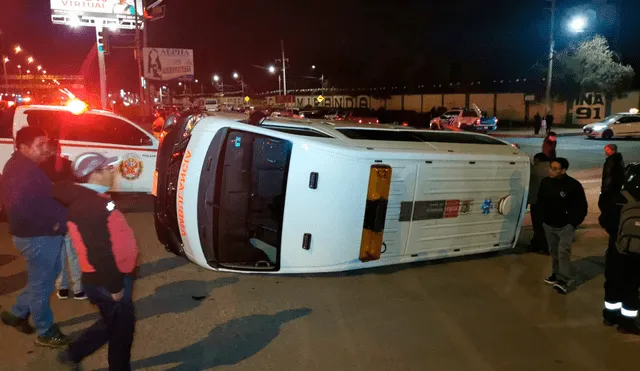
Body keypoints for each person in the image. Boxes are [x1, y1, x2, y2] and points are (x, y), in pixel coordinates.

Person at [53, 153, 139, 370]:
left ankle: (74, 352)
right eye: (108, 168)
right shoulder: (89, 205)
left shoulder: (95, 198)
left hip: (110, 276)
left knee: (113, 324)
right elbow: (98, 252)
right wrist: (115, 285)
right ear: (94, 174)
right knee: (122, 332)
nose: (112, 171)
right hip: (107, 279)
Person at [0, 127, 69, 347]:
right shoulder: (22, 171)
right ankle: (45, 331)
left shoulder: (27, 166)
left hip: (41, 235)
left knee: (44, 278)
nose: (45, 148)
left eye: (46, 142)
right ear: (24, 147)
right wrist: (53, 224)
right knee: (42, 286)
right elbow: (19, 210)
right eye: (40, 144)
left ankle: (18, 312)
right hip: (39, 237)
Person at [40, 139, 87, 301]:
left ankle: (63, 288)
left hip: (51, 218)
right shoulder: (69, 166)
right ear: (59, 150)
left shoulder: (40, 168)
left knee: (58, 254)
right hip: (69, 214)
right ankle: (79, 288)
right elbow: (80, 188)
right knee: (73, 253)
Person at [537, 157, 588, 294]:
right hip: (548, 224)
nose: (551, 170)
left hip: (565, 226)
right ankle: (556, 274)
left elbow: (582, 207)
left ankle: (564, 280)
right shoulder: (545, 182)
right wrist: (542, 219)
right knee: (554, 252)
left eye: (555, 168)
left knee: (563, 253)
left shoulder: (573, 185)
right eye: (550, 167)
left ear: (563, 170)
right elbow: (540, 202)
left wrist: (572, 223)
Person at [528, 152, 550, 253]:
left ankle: (540, 245)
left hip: (537, 201)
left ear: (537, 160)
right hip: (550, 201)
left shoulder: (534, 169)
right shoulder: (552, 169)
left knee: (538, 224)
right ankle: (541, 244)